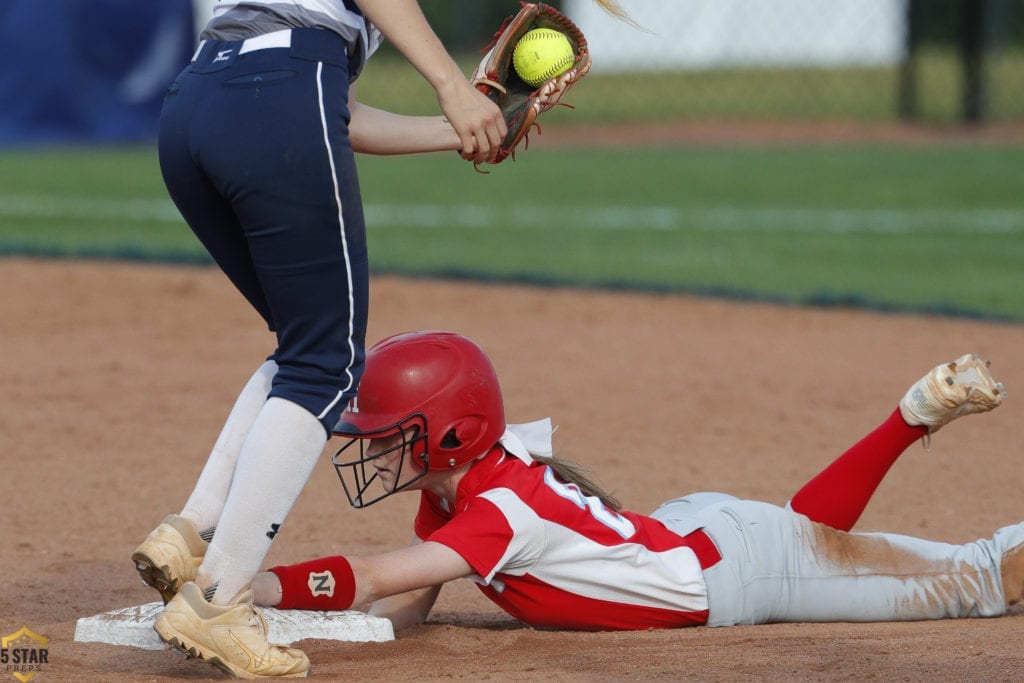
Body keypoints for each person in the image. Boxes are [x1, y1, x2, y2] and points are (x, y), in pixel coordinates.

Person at [131, 1, 628, 679]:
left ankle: (189, 533)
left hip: (195, 103)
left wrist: (459, 128)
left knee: (305, 348)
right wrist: (453, 89)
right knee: (327, 366)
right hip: (279, 94)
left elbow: (342, 118)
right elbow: (311, 88)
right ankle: (217, 601)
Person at [239, 331, 1016, 641]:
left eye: (393, 431)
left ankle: (910, 420)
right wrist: (361, 629)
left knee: (980, 578)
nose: (376, 443)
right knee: (803, 540)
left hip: (724, 566)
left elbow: (377, 575)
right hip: (701, 539)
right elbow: (409, 594)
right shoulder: (460, 483)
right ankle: (909, 417)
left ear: (448, 433)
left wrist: (250, 588)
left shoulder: (498, 508)